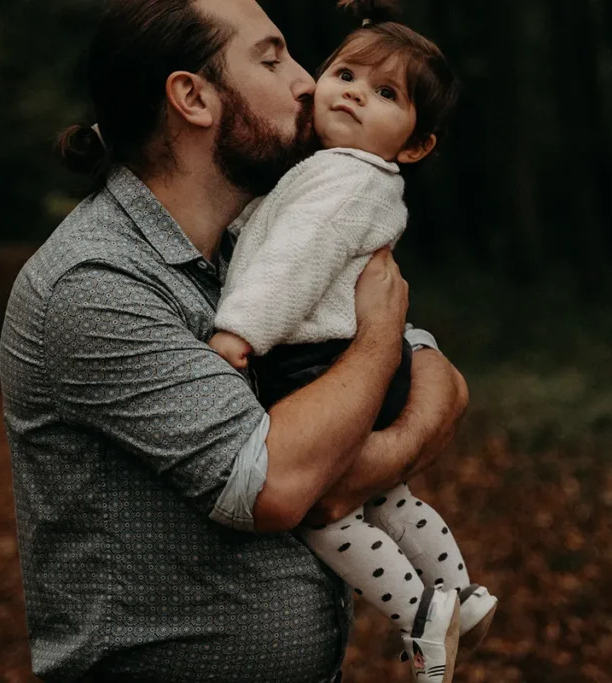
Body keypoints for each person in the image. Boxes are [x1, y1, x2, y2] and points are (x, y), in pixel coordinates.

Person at [0, 0, 469, 682]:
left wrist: (356, 451)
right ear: (193, 97)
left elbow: (443, 382)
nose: (309, 81)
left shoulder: (262, 241)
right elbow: (274, 484)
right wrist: (377, 346)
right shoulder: (97, 280)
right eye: (272, 60)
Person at [206, 2, 496, 680]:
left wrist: (238, 330)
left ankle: (422, 613)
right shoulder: (341, 170)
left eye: (387, 93)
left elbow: (293, 261)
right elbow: (273, 226)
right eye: (346, 74)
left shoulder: (345, 180)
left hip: (320, 362)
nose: (355, 94)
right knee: (387, 497)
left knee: (320, 513)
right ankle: (466, 592)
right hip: (361, 354)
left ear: (417, 143)